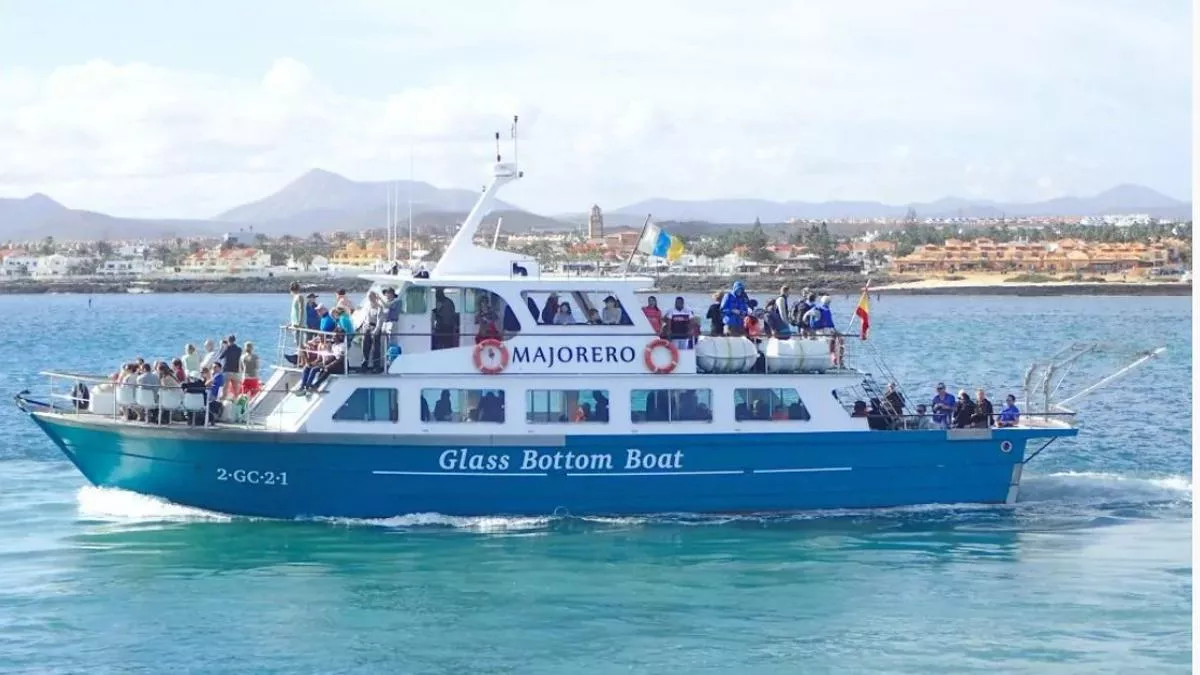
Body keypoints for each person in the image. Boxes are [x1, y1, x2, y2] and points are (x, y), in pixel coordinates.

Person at [288, 282, 305, 347]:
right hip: (294, 324)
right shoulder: (295, 297)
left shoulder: (299, 297)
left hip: (298, 324)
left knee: (299, 343)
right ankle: (300, 352)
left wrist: (299, 323)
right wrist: (291, 323)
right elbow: (295, 313)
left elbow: (301, 309)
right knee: (297, 342)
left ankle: (302, 353)